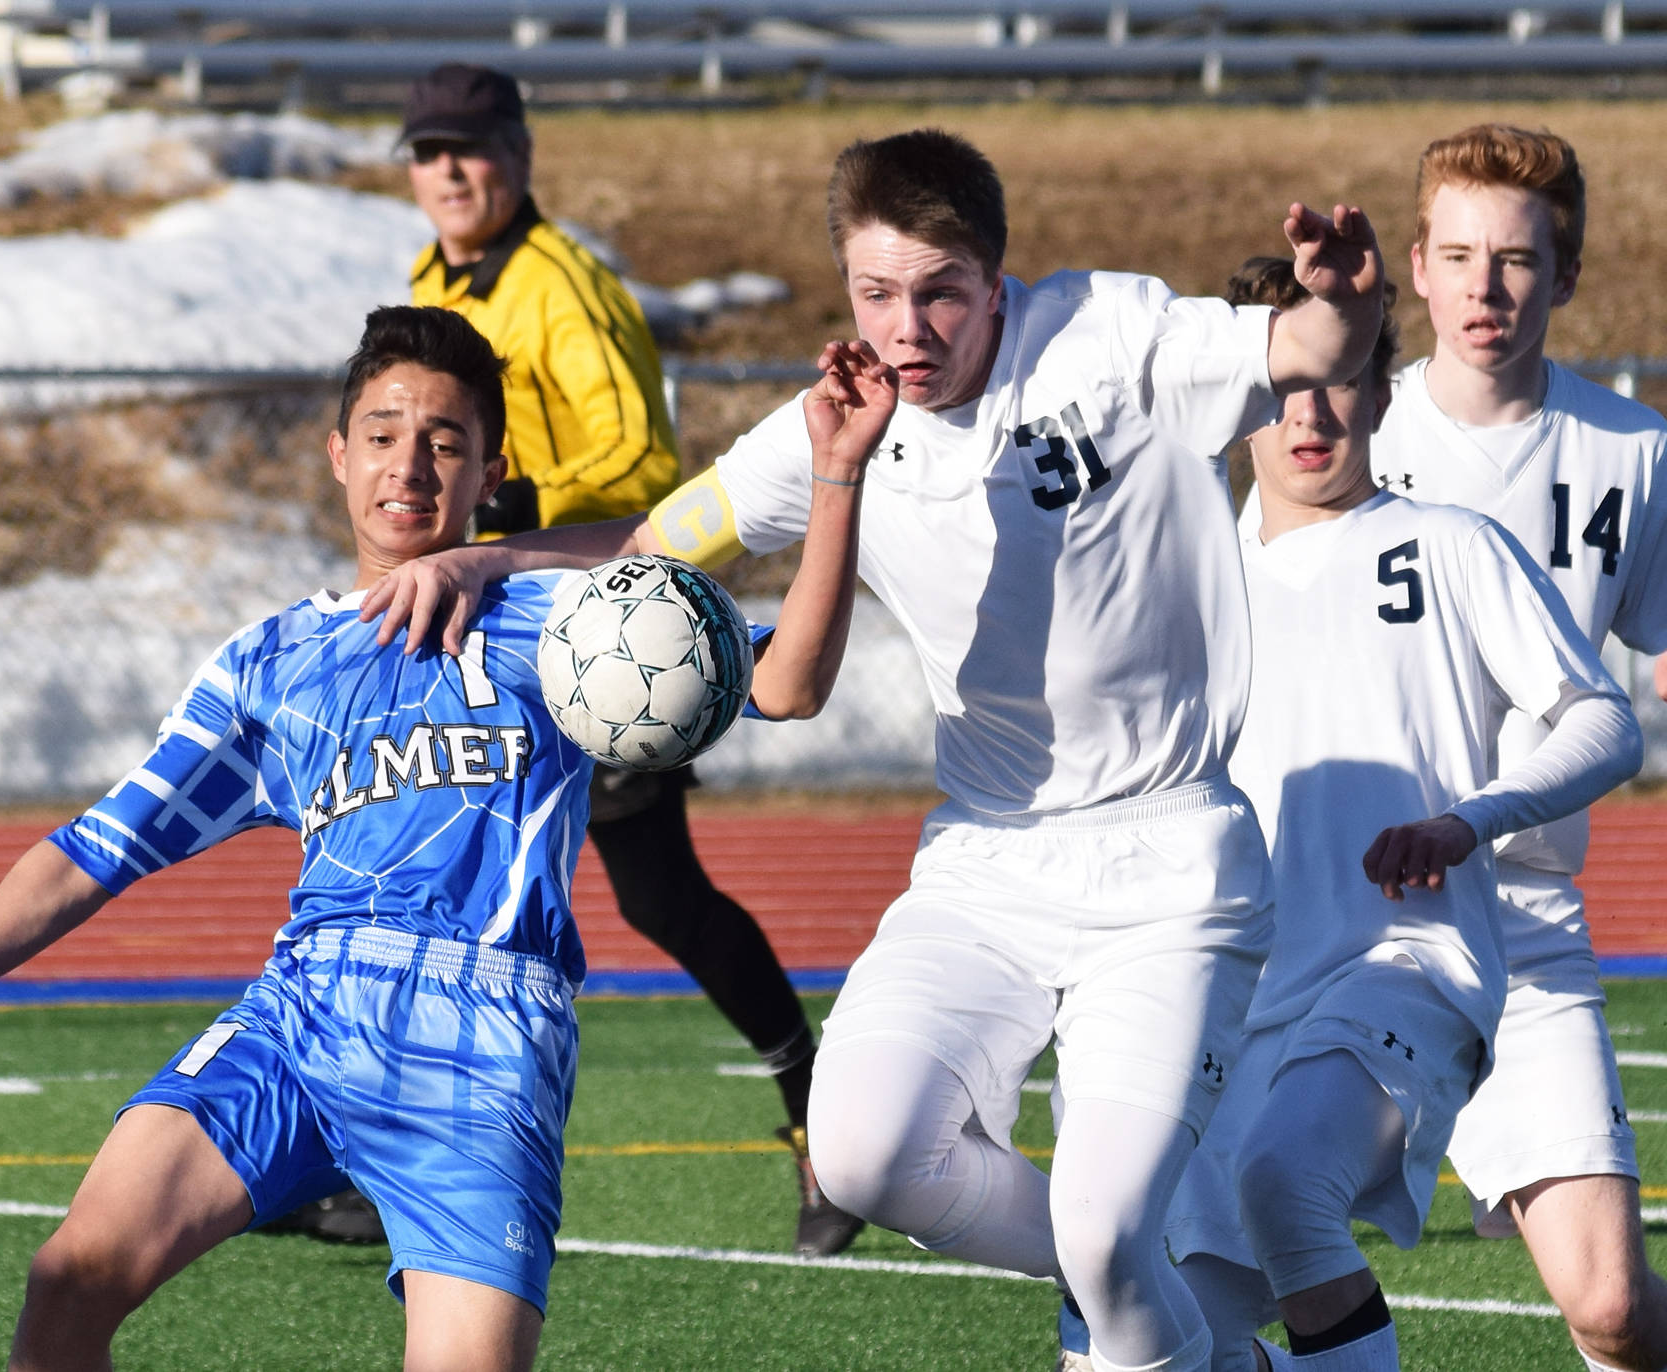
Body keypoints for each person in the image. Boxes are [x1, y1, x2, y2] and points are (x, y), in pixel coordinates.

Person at [360, 128, 1386, 1372]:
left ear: (995, 285)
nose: (908, 327)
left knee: (1113, 1241)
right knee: (859, 1149)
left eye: (940, 293)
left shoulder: (1107, 337)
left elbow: (1306, 351)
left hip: (1169, 866)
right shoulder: (828, 431)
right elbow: (654, 538)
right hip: (984, 861)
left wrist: (1340, 296)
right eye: (875, 293)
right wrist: (486, 557)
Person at [0, 304, 895, 1372]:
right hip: (303, 1013)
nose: (410, 464)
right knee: (70, 1280)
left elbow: (788, 683)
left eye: (445, 440)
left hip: (485, 1038)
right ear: (337, 453)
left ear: (490, 471)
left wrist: (836, 476)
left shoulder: (562, 623)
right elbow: (97, 845)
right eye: (384, 432)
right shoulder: (270, 662)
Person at [279, 59, 866, 1258]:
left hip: (575, 638)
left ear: (519, 153)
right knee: (413, 864)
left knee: (656, 897)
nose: (447, 169)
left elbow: (649, 477)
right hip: (464, 621)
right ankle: (353, 1150)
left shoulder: (562, 285)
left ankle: (822, 1118)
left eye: (471, 146)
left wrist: (494, 519)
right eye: (426, 148)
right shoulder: (437, 282)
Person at [1150, 257, 1643, 1372]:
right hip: (1231, 1004)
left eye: (1339, 378)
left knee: (1287, 1186)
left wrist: (1473, 816)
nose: (1309, 413)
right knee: (1136, 1341)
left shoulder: (1449, 545)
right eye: (1281, 384)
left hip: (1404, 966)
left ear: (1381, 391)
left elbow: (1599, 719)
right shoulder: (1185, 588)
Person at [1369, 123, 1667, 1372]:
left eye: (1515, 260)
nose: (1484, 287)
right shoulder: (1332, 438)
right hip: (1340, 922)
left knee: (1608, 1306)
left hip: (1523, 919)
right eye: (1457, 255)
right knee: (1193, 1254)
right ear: (1418, 272)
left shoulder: (1632, 448)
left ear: (1565, 272)